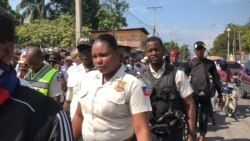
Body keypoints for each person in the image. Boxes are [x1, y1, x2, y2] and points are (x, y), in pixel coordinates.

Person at [0, 7, 73, 141]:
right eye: (29, 63)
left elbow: (57, 98)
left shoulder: (52, 116)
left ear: (6, 50)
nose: (31, 66)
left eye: (33, 63)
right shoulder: (25, 73)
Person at [72, 34, 152, 141]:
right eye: (94, 56)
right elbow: (79, 116)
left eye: (103, 55)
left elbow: (141, 129)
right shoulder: (88, 78)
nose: (98, 60)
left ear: (117, 54)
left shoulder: (134, 84)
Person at [139, 36, 196, 141]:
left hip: (173, 132)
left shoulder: (178, 74)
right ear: (146, 53)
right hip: (150, 132)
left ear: (163, 51)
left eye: (157, 49)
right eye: (150, 50)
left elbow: (189, 104)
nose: (153, 53)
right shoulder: (140, 77)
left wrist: (191, 135)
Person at [188, 41, 222, 141]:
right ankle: (192, 134)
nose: (200, 51)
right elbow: (182, 78)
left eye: (201, 49)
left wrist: (220, 95)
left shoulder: (210, 64)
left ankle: (202, 135)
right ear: (194, 51)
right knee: (192, 116)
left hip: (206, 95)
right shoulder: (190, 63)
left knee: (203, 117)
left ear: (204, 50)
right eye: (198, 49)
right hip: (193, 95)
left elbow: (216, 80)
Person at [63, 37, 95, 120]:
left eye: (88, 49)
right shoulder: (73, 72)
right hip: (75, 120)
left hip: (94, 123)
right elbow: (68, 99)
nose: (84, 52)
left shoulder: (103, 72)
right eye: (81, 49)